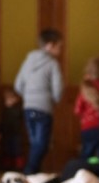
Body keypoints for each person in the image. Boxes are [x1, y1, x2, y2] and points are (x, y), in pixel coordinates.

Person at [14, 29, 64, 175]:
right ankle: (30, 171)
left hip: (28, 107)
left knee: (34, 143)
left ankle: (34, 172)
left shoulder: (28, 60)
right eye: (59, 47)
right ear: (50, 45)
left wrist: (29, 96)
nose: (60, 50)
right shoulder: (53, 63)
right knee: (42, 144)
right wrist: (55, 99)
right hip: (43, 108)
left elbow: (18, 84)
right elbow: (58, 88)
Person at [73, 57, 99, 160]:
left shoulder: (85, 89)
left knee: (86, 154)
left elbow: (77, 110)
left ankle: (85, 171)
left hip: (88, 127)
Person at [0, 88, 25, 171]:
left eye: (11, 98)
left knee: (17, 150)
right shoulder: (5, 110)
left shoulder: (18, 109)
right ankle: (6, 167)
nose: (9, 101)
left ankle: (19, 167)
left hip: (16, 133)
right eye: (7, 99)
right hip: (7, 134)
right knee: (7, 151)